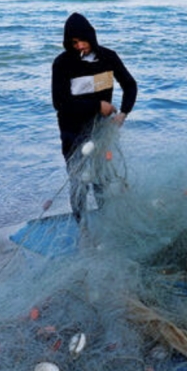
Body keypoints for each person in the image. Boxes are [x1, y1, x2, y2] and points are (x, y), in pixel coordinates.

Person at [52, 12, 137, 223]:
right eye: (73, 42)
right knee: (78, 180)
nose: (80, 46)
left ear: (92, 37)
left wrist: (124, 113)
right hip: (72, 132)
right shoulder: (62, 63)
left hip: (101, 130)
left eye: (82, 40)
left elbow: (130, 85)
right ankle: (81, 224)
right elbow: (60, 103)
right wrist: (97, 105)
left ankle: (104, 219)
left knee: (102, 178)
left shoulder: (108, 57)